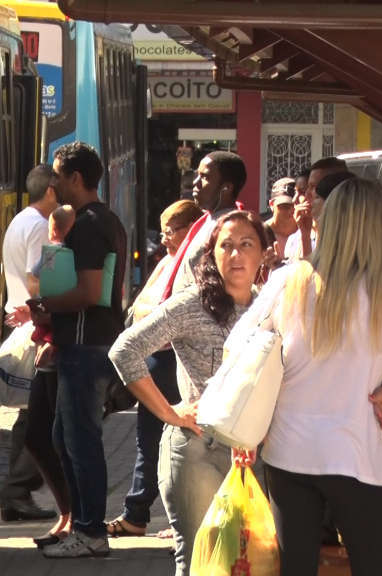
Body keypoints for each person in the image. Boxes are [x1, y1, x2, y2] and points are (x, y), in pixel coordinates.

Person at [252, 178, 382, 575]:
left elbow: (240, 349)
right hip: (355, 449)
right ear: (378, 228)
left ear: (328, 222)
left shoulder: (287, 280)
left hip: (287, 450)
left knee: (296, 568)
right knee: (372, 568)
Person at [108, 211, 269, 575]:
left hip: (256, 456)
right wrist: (169, 412)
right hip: (200, 450)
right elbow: (124, 350)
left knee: (252, 563)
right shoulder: (192, 304)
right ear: (211, 254)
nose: (237, 254)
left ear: (264, 253)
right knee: (200, 559)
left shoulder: (270, 306)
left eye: (247, 245)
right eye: (226, 245)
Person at [30, 142, 127, 559]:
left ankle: (89, 531)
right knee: (63, 435)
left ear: (75, 178)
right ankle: (82, 523)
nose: (53, 185)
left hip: (87, 345)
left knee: (81, 439)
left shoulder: (89, 224)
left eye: (57, 176)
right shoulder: (107, 220)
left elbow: (89, 292)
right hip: (86, 343)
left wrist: (46, 305)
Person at [104, 199, 202, 538]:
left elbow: (160, 311)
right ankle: (139, 511)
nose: (164, 239)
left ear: (189, 229)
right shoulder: (168, 264)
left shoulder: (190, 264)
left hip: (169, 359)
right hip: (152, 357)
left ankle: (146, 513)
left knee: (163, 438)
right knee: (150, 439)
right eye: (162, 232)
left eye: (171, 231)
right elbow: (141, 305)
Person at [0, 164, 61, 522]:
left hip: (23, 321)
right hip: (34, 326)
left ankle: (17, 490)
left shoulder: (20, 220)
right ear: (50, 191)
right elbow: (41, 280)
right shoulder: (39, 226)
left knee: (30, 413)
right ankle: (18, 489)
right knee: (39, 414)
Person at [23, 202, 77, 548]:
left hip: (59, 352)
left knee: (60, 438)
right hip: (49, 351)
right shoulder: (59, 255)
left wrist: (49, 327)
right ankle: (69, 511)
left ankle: (74, 515)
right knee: (37, 435)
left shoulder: (63, 256)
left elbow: (55, 301)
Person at [165, 151, 248, 297]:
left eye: (204, 177)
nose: (195, 182)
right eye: (197, 175)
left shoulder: (230, 230)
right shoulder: (207, 221)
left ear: (227, 187)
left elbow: (215, 293)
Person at [284, 156, 348, 260]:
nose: (308, 194)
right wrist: (305, 237)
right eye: (307, 187)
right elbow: (307, 274)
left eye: (314, 187)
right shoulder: (296, 238)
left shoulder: (353, 237)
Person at [265, 192, 297, 261]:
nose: (291, 210)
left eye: (296, 204)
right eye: (285, 206)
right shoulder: (259, 234)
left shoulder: (310, 232)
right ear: (271, 204)